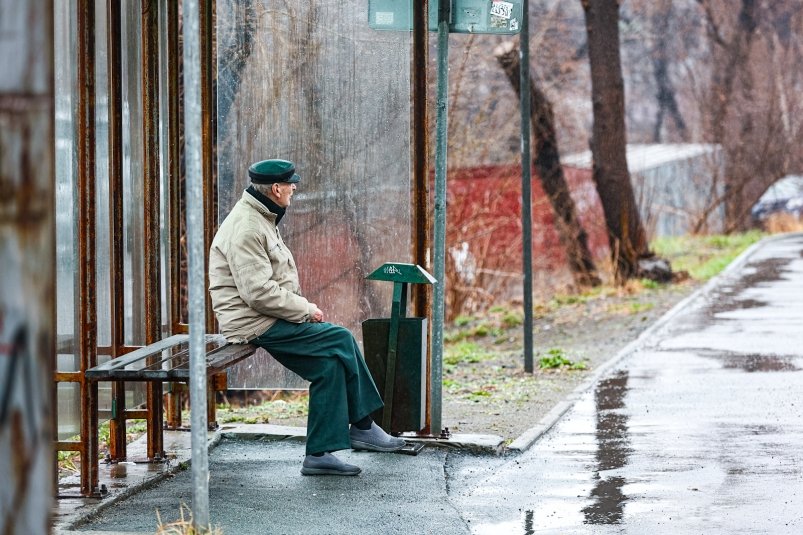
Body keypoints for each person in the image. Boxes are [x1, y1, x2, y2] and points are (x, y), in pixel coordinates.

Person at [209, 158, 405, 476]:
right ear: (276, 188)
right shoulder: (247, 227)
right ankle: (364, 426)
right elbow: (257, 293)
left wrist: (299, 309)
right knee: (341, 338)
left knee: (328, 367)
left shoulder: (260, 217)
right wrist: (305, 309)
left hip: (266, 316)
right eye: (290, 185)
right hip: (254, 321)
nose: (294, 189)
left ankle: (319, 454)